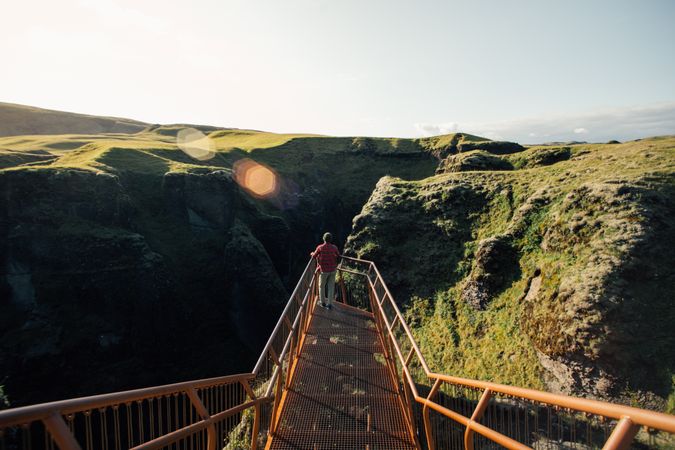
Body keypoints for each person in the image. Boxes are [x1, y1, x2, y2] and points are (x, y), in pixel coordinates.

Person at [311, 232, 340, 309]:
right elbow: (338, 255)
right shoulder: (334, 247)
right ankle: (330, 304)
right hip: (333, 269)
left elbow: (314, 256)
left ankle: (322, 302)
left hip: (323, 270)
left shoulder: (320, 247)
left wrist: (312, 254)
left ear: (323, 238)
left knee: (321, 286)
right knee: (331, 286)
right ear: (331, 239)